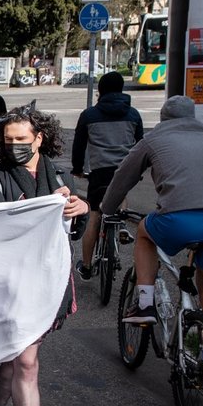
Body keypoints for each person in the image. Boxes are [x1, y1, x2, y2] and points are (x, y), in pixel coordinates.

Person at [0, 107, 88, 406]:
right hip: (14, 285)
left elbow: (75, 225)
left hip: (50, 283)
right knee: (26, 362)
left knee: (16, 357)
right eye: (8, 142)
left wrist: (80, 207)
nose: (15, 148)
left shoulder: (59, 175)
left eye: (22, 141)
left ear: (39, 138)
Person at [101, 95, 203, 324]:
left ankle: (144, 304)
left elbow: (123, 177)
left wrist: (107, 208)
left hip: (177, 219)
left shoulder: (154, 138)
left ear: (163, 118)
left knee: (144, 234)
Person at [72, 72, 144, 279]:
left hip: (99, 171)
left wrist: (77, 168)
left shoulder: (89, 115)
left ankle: (86, 265)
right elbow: (141, 145)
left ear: (100, 90)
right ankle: (120, 223)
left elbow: (79, 146)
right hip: (126, 169)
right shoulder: (133, 115)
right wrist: (137, 170)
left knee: (94, 214)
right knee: (120, 191)